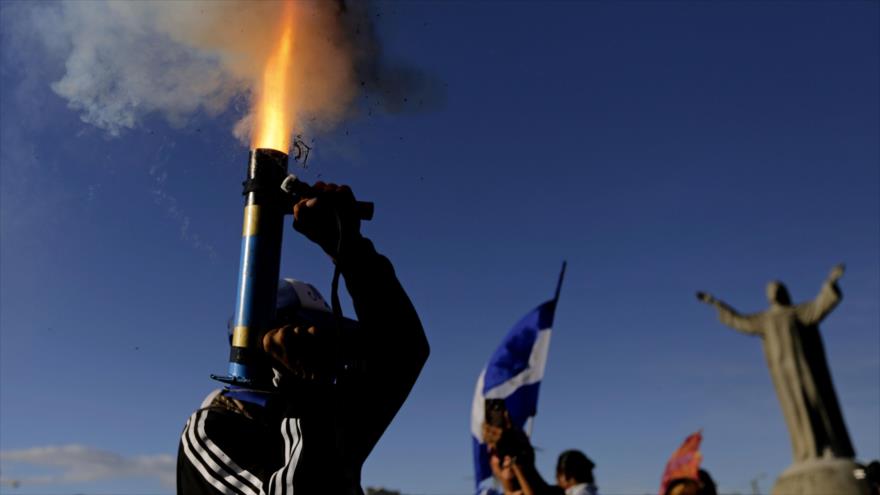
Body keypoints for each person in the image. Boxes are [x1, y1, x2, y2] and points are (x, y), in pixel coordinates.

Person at [176, 183, 430, 494]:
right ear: (271, 345)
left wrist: (349, 248)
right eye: (308, 333)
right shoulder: (212, 428)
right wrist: (306, 390)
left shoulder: (327, 407)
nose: (326, 349)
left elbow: (403, 349)